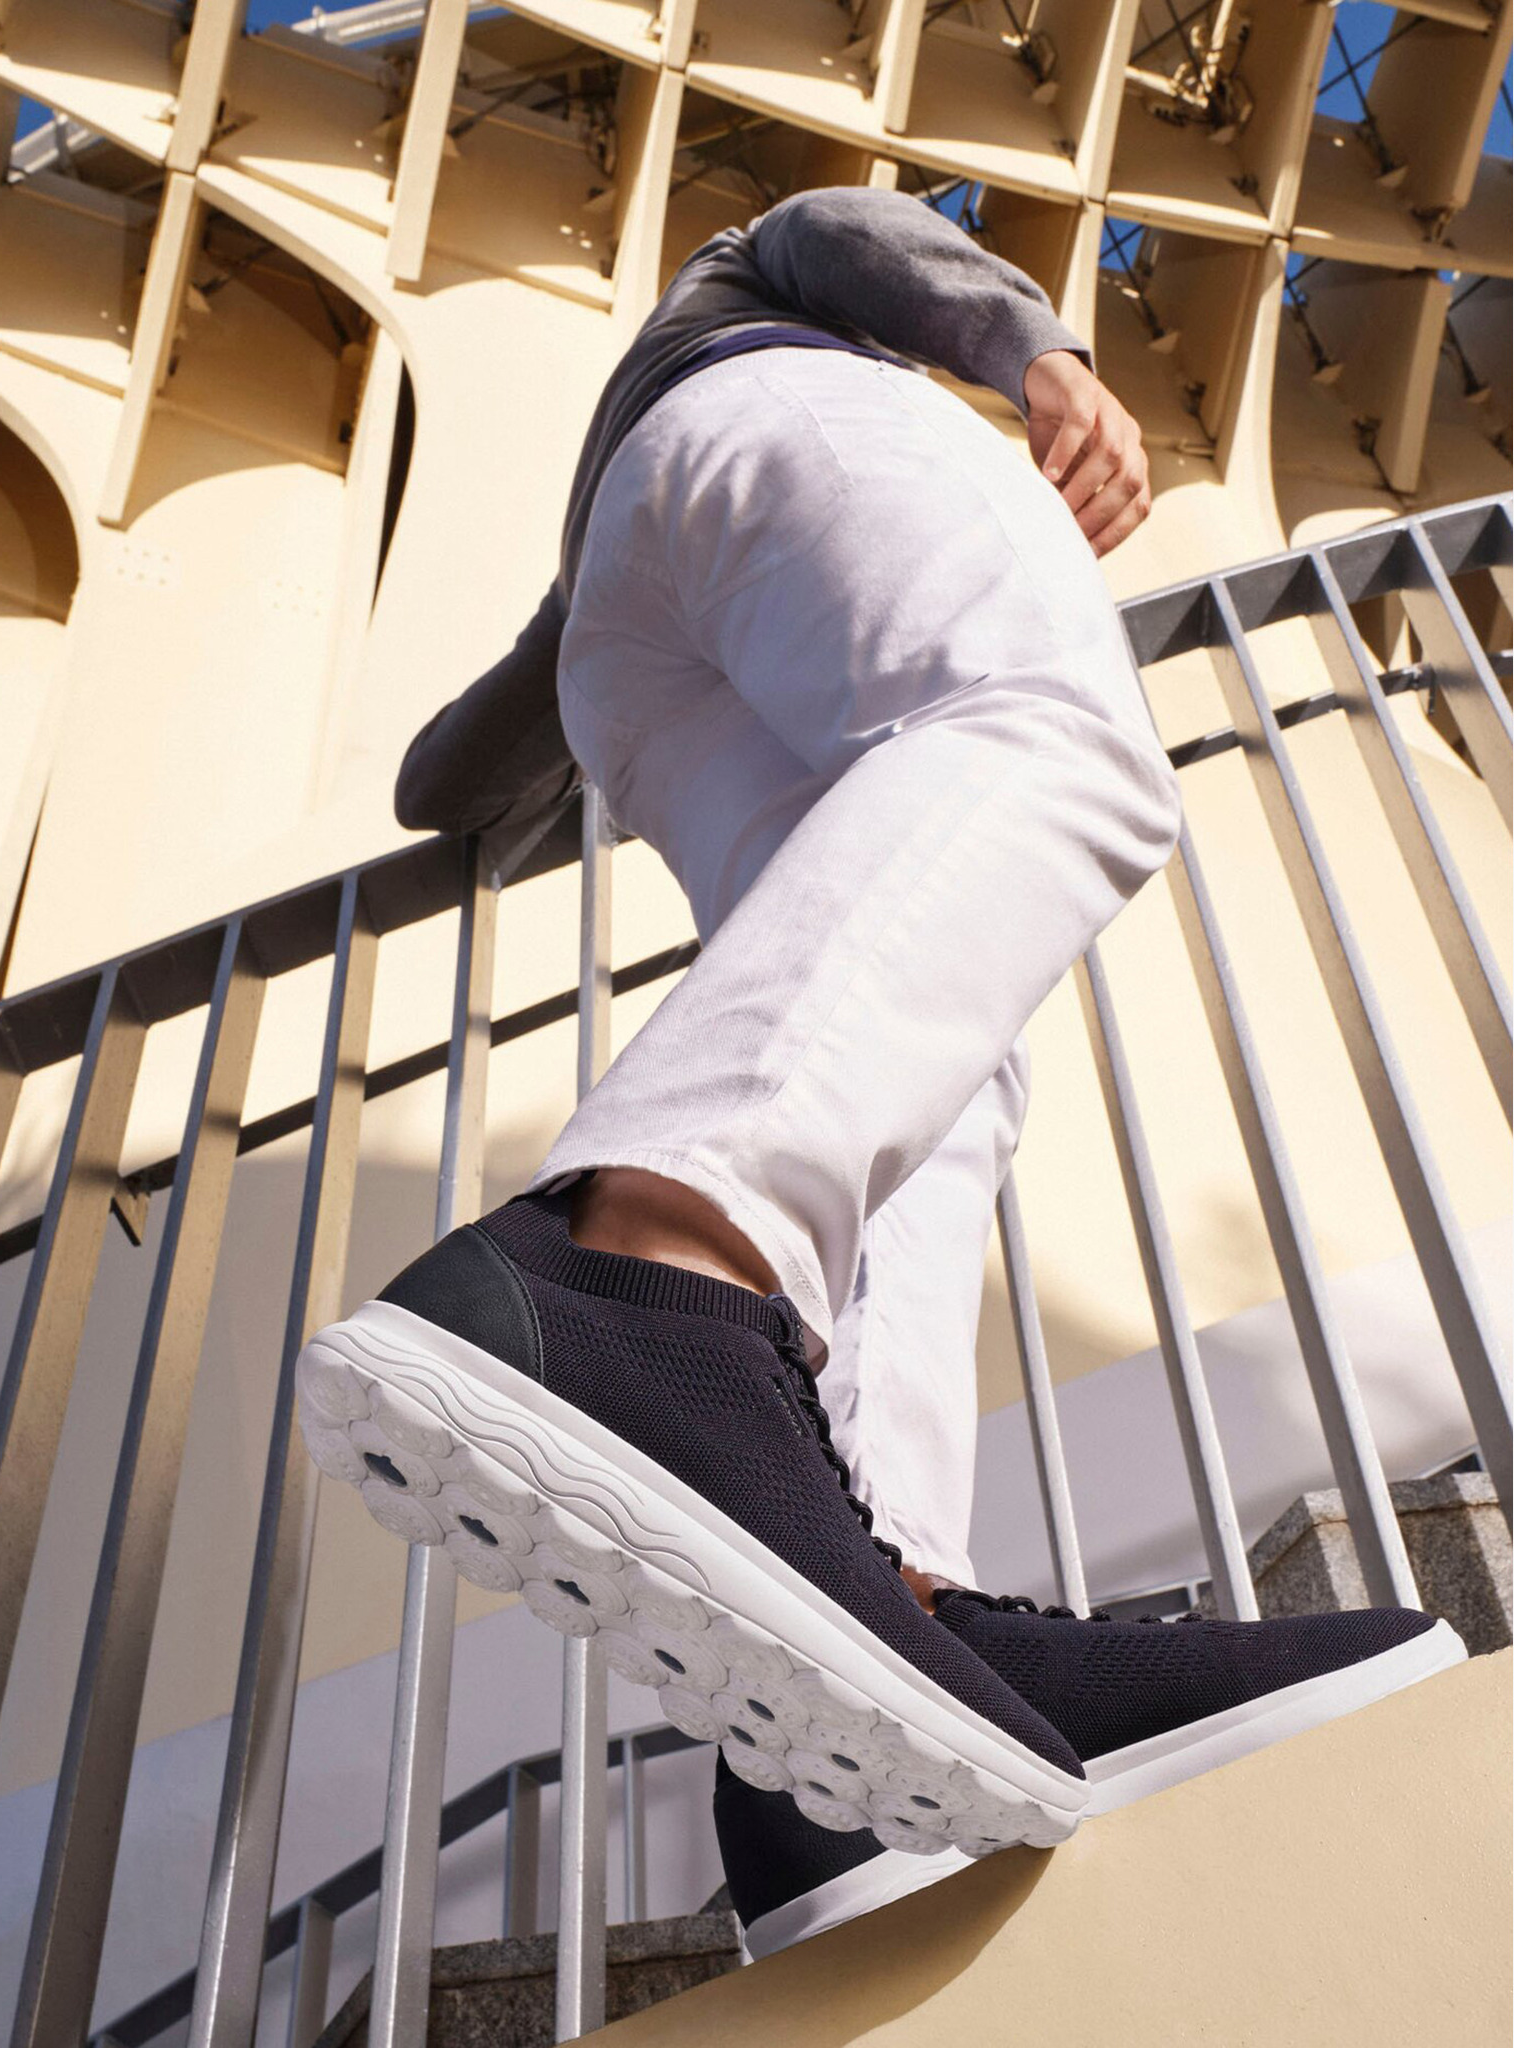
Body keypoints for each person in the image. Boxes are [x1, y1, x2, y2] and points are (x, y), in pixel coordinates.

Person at [297, 186, 1463, 1951]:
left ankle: (870, 1633)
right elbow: (823, 226)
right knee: (1051, 730)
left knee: (933, 1079)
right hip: (755, 462)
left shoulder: (617, 510)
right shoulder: (756, 324)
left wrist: (478, 764)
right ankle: (641, 1268)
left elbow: (448, 781)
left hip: (620, 676)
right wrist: (1035, 354)